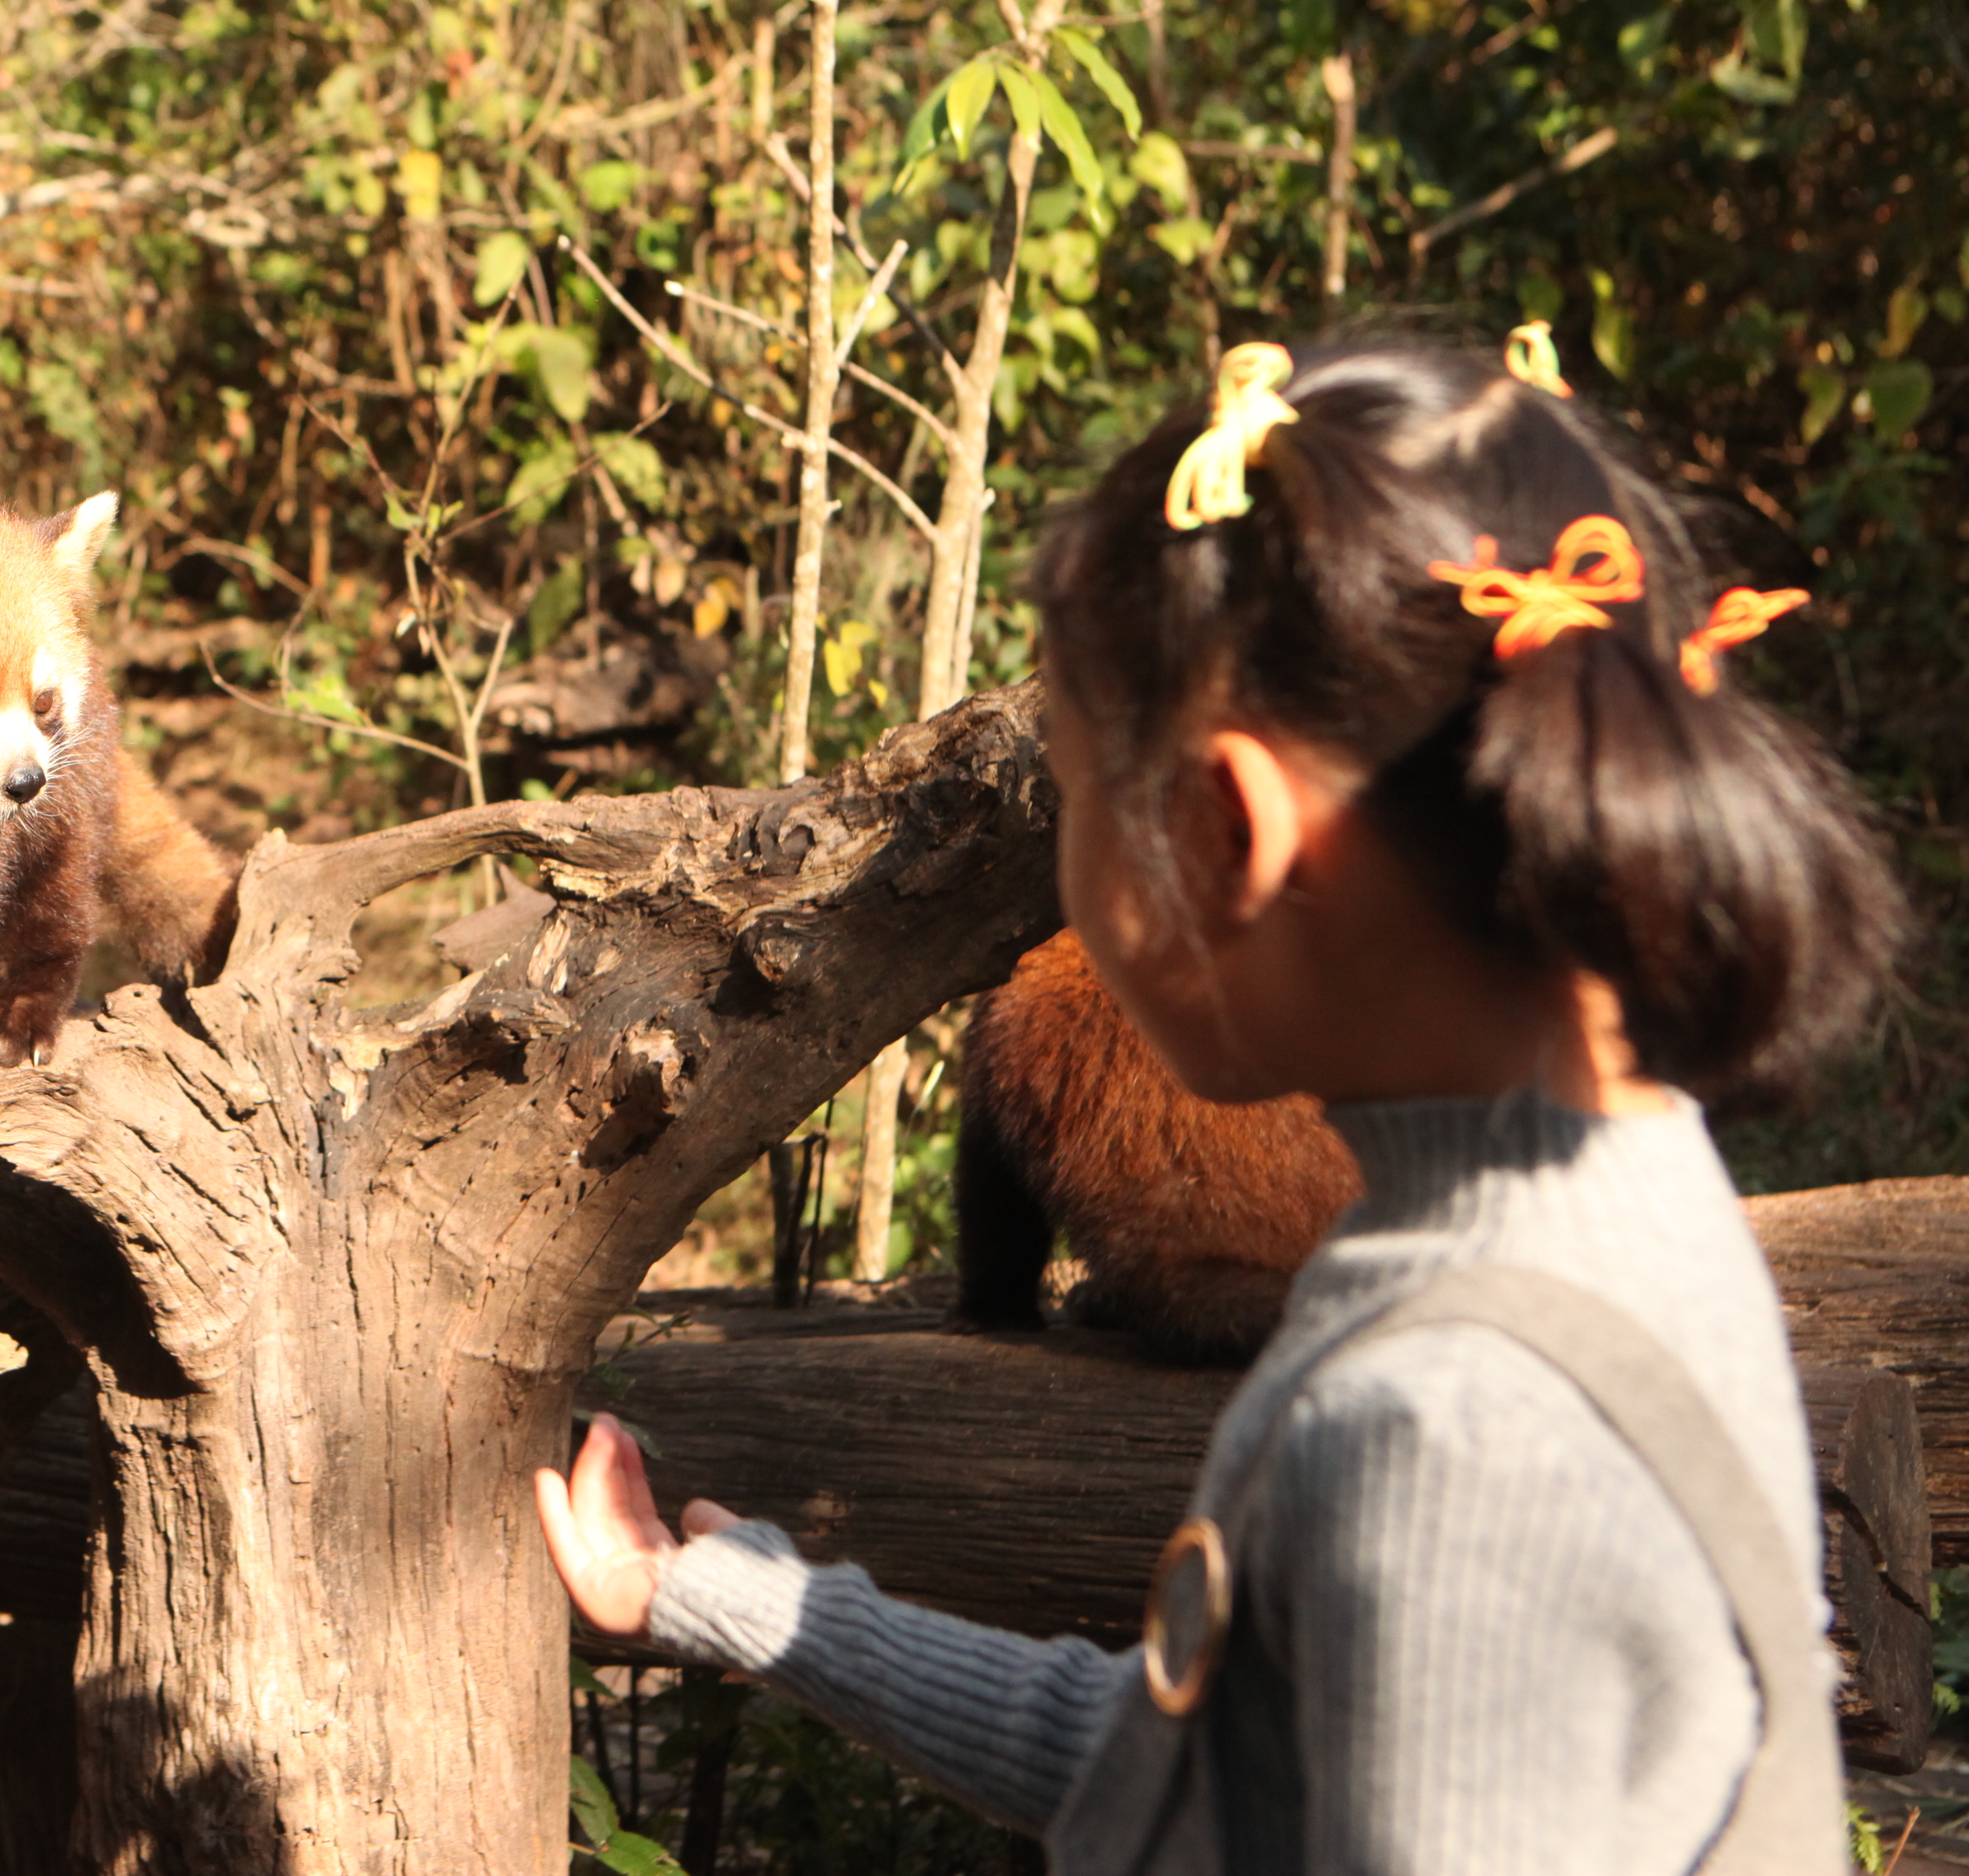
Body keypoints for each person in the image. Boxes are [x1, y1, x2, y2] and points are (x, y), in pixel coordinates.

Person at [537, 331, 1906, 1874]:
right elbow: (1214, 1752)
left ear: (1223, 833)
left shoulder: (1448, 1419)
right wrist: (744, 1604)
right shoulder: (1620, 1200)